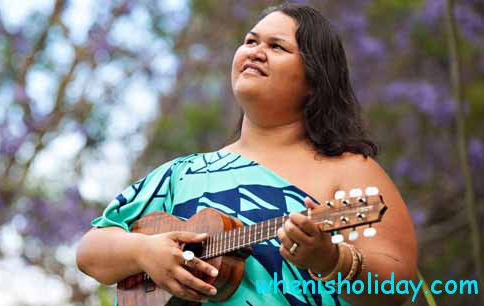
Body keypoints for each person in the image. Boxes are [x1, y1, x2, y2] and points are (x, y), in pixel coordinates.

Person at [76, 4, 417, 306]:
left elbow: (399, 286)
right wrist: (144, 251)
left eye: (277, 46)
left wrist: (331, 259)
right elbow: (91, 251)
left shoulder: (352, 171)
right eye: (251, 41)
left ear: (314, 79)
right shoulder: (183, 174)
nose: (255, 51)